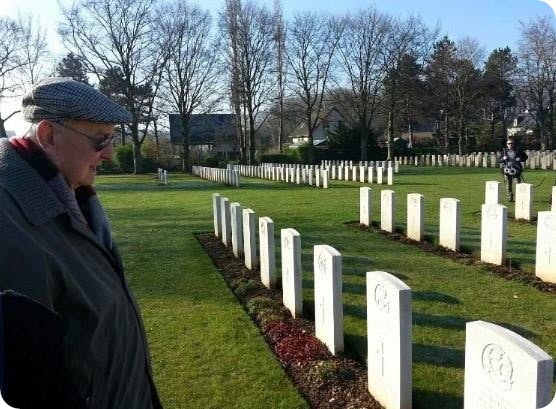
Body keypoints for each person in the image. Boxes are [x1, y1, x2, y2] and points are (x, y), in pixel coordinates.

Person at [0, 77, 162, 409]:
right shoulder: (9, 221)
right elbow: (29, 385)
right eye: (100, 141)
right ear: (48, 136)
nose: (110, 154)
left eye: (112, 139)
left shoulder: (70, 195)